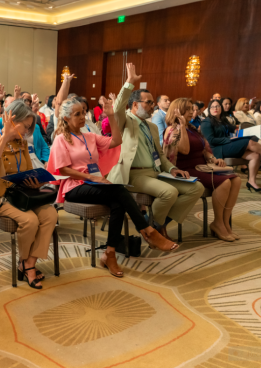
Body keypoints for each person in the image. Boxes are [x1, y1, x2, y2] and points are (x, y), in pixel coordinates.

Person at [48, 96, 177, 276]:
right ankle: (148, 231)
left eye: (83, 113)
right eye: (77, 114)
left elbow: (116, 141)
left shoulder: (90, 136)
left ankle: (110, 253)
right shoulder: (61, 139)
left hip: (93, 183)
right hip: (74, 187)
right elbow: (62, 169)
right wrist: (92, 177)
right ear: (66, 118)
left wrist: (111, 115)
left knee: (118, 203)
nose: (83, 117)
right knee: (119, 190)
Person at [106, 63, 203, 242]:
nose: (152, 106)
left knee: (196, 188)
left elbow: (160, 154)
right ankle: (154, 231)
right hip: (133, 175)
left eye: (152, 102)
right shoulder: (125, 120)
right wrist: (129, 81)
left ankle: (155, 225)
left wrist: (172, 169)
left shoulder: (151, 126)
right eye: (148, 102)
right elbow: (117, 107)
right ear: (135, 104)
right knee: (169, 192)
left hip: (155, 172)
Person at [0, 100, 57, 287]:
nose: (27, 131)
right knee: (30, 220)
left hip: (19, 195)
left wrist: (35, 181)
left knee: (51, 214)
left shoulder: (21, 143)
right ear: (12, 120)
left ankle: (28, 263)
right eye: (25, 126)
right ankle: (26, 263)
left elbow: (27, 170)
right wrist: (4, 137)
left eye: (29, 127)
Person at [162, 98, 241, 242]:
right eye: (188, 109)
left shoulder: (192, 128)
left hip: (201, 167)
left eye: (192, 109)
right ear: (177, 111)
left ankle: (224, 223)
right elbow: (185, 150)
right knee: (224, 183)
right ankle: (218, 223)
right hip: (185, 169)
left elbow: (204, 149)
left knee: (236, 180)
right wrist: (182, 126)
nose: (192, 112)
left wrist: (213, 159)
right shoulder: (172, 129)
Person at [201, 99, 261, 192]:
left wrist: (242, 132)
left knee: (255, 155)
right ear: (209, 109)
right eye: (212, 107)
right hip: (218, 149)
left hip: (228, 145)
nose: (215, 108)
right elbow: (211, 140)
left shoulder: (223, 120)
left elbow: (233, 129)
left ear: (221, 108)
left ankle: (251, 181)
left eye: (217, 106)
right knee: (250, 143)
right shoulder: (206, 122)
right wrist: (229, 139)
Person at [0, 84, 49, 165]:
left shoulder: (35, 127)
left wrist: (46, 161)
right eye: (25, 100)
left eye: (30, 100)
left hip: (35, 161)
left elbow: (44, 146)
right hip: (13, 162)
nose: (28, 103)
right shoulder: (7, 122)